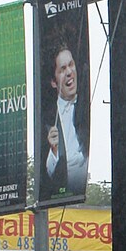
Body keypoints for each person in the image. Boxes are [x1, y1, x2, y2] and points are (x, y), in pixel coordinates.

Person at [41, 43, 88, 198]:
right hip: (62, 194)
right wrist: (53, 151)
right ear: (54, 82)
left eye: (71, 65)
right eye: (62, 69)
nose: (69, 72)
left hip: (85, 189)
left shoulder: (86, 106)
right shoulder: (47, 119)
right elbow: (47, 177)